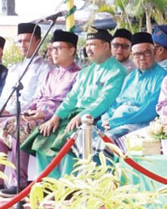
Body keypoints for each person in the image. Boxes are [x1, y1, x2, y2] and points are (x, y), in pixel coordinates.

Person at [22, 28, 127, 178]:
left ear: (105, 46)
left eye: (93, 45)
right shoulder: (86, 72)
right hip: (74, 115)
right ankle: (46, 186)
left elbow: (104, 101)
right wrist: (56, 117)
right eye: (87, 45)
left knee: (68, 141)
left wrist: (82, 117)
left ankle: (69, 187)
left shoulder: (116, 72)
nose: (88, 49)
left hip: (95, 118)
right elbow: (71, 97)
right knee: (43, 136)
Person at [0, 30, 80, 194]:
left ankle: (19, 182)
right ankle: (3, 180)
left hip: (56, 117)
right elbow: (39, 96)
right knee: (7, 125)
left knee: (17, 129)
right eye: (52, 49)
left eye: (58, 49)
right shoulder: (52, 73)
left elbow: (69, 101)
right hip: (38, 114)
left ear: (71, 50)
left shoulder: (77, 74)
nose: (53, 53)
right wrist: (29, 111)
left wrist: (45, 113)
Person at [100, 32, 167, 140]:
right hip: (117, 122)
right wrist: (106, 118)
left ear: (154, 52)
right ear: (132, 55)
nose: (142, 57)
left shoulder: (163, 77)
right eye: (137, 54)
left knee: (108, 139)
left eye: (146, 53)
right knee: (87, 134)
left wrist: (116, 122)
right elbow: (117, 102)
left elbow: (150, 110)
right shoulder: (130, 77)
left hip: (141, 125)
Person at [0, 23, 51, 116]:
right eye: (19, 42)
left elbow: (37, 98)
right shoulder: (14, 68)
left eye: (27, 41)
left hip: (25, 115)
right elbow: (4, 97)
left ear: (38, 42)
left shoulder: (45, 68)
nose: (22, 45)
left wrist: (9, 112)